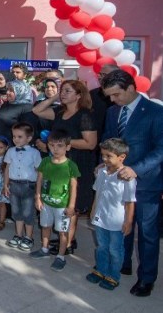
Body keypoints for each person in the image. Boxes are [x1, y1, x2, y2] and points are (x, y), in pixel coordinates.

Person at [101, 70, 163, 297]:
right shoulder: (112, 111)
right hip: (118, 181)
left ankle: (146, 278)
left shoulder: (156, 112)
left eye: (116, 94)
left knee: (147, 232)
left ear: (130, 88)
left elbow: (161, 149)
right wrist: (104, 163)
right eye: (109, 96)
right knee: (121, 224)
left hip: (146, 182)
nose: (112, 100)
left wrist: (136, 169)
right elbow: (108, 140)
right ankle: (122, 263)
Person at [32, 80, 97, 255]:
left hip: (77, 162)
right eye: (62, 90)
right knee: (59, 196)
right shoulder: (59, 112)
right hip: (58, 161)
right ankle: (65, 237)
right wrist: (55, 96)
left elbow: (90, 143)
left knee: (71, 204)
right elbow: (37, 110)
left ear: (79, 95)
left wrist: (62, 143)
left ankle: (68, 243)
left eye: (68, 91)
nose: (63, 94)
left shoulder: (85, 115)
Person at [86, 138, 136, 290]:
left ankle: (113, 276)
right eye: (103, 155)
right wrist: (93, 210)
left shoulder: (127, 177)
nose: (104, 159)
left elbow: (130, 202)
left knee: (115, 250)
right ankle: (101, 270)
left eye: (109, 156)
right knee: (102, 246)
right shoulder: (101, 172)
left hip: (116, 222)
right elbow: (97, 193)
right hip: (100, 218)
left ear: (122, 157)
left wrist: (128, 222)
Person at [30, 130, 80, 272]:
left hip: (62, 207)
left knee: (62, 232)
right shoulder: (45, 161)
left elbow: (74, 187)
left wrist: (71, 206)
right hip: (46, 203)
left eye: (60, 146)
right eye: (52, 145)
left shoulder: (70, 165)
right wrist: (38, 197)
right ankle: (44, 249)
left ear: (68, 147)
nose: (55, 149)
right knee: (45, 226)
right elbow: (39, 180)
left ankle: (60, 256)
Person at [2, 122, 42, 251]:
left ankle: (28, 237)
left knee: (28, 212)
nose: (16, 139)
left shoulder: (34, 153)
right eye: (14, 136)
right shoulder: (10, 151)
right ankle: (18, 235)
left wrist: (38, 191)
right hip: (13, 184)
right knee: (16, 211)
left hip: (28, 186)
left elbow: (39, 172)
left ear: (29, 138)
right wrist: (5, 184)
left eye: (20, 137)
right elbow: (7, 168)